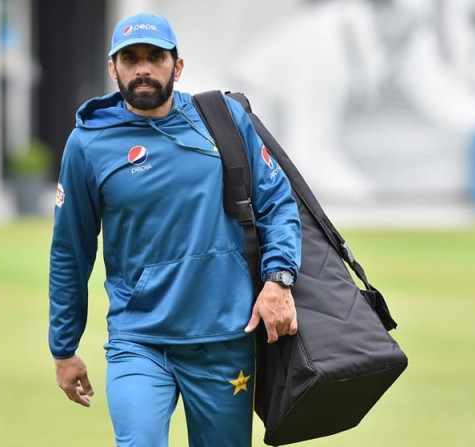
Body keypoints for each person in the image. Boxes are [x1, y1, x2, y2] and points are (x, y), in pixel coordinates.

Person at [48, 12, 302, 447]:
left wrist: (278, 279)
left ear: (177, 66)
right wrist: (63, 346)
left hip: (225, 339)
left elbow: (277, 202)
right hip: (139, 341)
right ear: (113, 68)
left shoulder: (223, 120)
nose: (143, 68)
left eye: (155, 57)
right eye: (131, 59)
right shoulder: (88, 144)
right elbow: (70, 251)